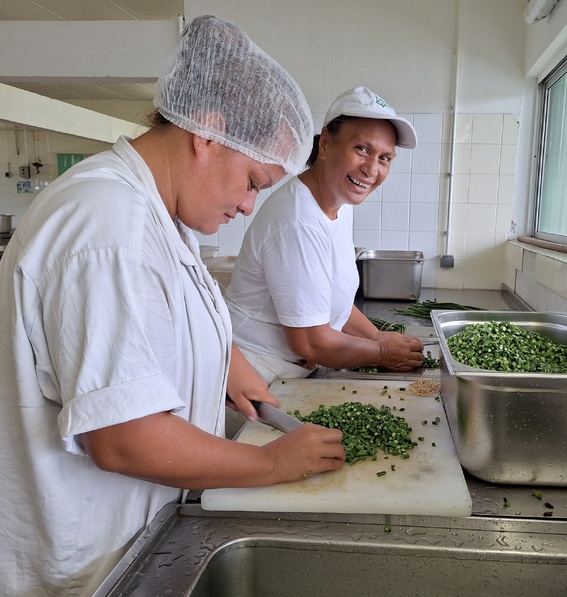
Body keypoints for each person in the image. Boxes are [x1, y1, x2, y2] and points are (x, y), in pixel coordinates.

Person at [0, 15, 345, 596]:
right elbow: (124, 437)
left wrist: (225, 362)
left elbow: (162, 320)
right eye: (254, 181)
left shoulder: (157, 214)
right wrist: (274, 464)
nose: (249, 206)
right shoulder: (109, 227)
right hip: (86, 564)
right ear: (207, 134)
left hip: (133, 540)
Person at [225, 86, 425, 384]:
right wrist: (382, 353)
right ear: (326, 144)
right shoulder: (297, 221)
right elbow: (310, 341)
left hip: (292, 372)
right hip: (256, 373)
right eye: (362, 149)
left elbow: (334, 302)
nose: (372, 169)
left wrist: (377, 336)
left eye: (385, 158)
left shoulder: (339, 204)